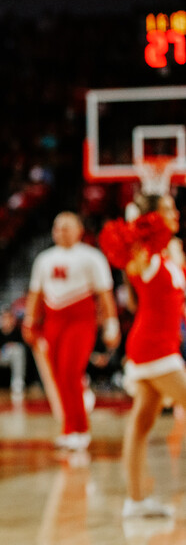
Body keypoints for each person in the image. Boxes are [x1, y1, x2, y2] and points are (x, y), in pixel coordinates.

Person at [105, 194, 184, 519]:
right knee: (142, 422)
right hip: (154, 348)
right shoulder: (144, 255)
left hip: (161, 344)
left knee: (142, 422)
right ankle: (135, 499)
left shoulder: (169, 252)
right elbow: (128, 255)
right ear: (152, 217)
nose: (176, 213)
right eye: (168, 208)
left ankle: (135, 501)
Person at [22, 211, 120, 451]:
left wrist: (111, 324)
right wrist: (29, 321)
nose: (61, 232)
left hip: (80, 322)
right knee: (58, 375)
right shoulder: (44, 259)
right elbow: (36, 294)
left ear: (79, 230)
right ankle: (69, 428)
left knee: (70, 371)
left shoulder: (92, 257)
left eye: (67, 227)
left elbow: (104, 294)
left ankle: (81, 429)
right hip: (53, 322)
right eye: (57, 227)